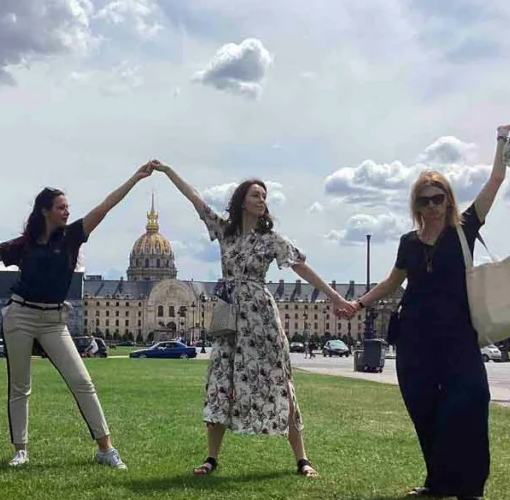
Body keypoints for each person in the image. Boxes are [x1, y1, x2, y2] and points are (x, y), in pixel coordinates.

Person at [0, 162, 154, 468]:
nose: (67, 212)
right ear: (45, 210)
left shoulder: (72, 236)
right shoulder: (23, 245)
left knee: (82, 381)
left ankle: (105, 449)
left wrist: (135, 177)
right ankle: (21, 450)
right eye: (61, 207)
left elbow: (106, 205)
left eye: (68, 207)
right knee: (20, 385)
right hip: (20, 316)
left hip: (55, 320)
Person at [351, 123, 510, 500]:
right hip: (414, 334)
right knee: (423, 407)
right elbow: (392, 283)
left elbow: (495, 180)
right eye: (425, 200)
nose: (432, 205)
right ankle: (437, 481)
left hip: (458, 334)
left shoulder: (465, 228)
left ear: (449, 200)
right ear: (416, 205)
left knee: (471, 399)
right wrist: (358, 304)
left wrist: (499, 140)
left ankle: (470, 487)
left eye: (438, 198)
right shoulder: (408, 243)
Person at [152, 160, 357, 477]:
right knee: (222, 380)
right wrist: (168, 171)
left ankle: (302, 459)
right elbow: (195, 200)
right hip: (228, 309)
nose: (262, 200)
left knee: (280, 380)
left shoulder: (271, 239)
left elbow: (301, 266)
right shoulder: (225, 231)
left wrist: (335, 297)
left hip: (260, 313)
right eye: (256, 195)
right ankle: (211, 458)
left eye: (265, 196)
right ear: (241, 201)